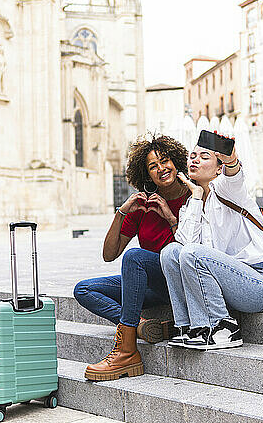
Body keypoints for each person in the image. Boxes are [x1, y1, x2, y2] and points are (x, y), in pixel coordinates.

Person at [74, 134, 190, 381]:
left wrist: (170, 218)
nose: (161, 169)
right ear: (147, 175)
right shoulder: (144, 205)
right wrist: (122, 212)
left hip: (179, 281)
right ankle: (139, 326)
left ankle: (127, 350)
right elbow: (109, 254)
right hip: (149, 286)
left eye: (165, 161)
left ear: (176, 161)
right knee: (83, 290)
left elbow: (193, 251)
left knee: (135, 256)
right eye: (152, 166)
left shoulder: (193, 196)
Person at [160, 142, 263, 350]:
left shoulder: (227, 189)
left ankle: (224, 326)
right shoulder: (190, 206)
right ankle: (191, 327)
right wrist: (196, 197)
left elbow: (235, 175)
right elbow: (184, 250)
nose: (194, 160)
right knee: (170, 252)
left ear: (218, 169)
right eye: (192, 156)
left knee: (191, 253)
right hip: (227, 287)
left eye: (204, 156)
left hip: (258, 284)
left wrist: (231, 160)